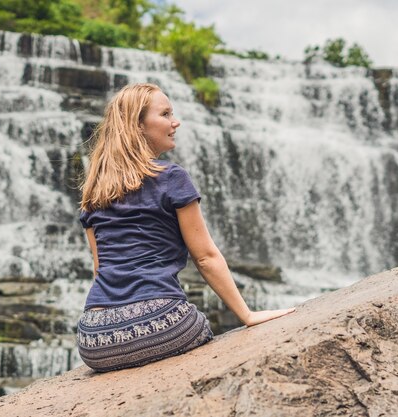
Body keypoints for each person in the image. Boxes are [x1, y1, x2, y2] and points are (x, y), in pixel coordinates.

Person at [76, 83, 295, 372]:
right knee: (198, 324)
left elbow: (100, 269)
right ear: (137, 126)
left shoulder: (93, 194)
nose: (175, 122)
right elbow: (205, 257)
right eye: (165, 114)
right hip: (161, 324)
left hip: (94, 339)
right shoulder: (171, 177)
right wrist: (247, 315)